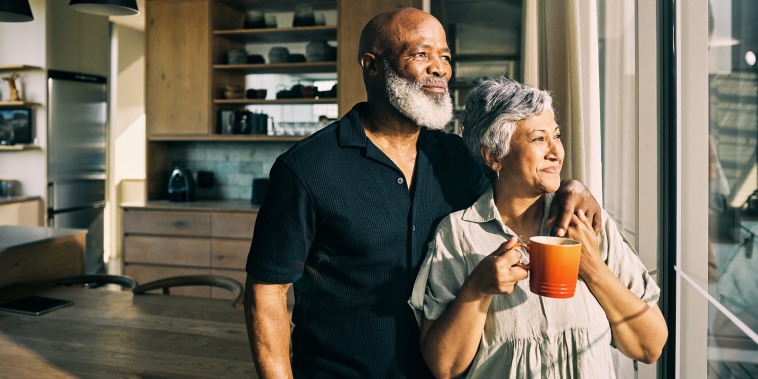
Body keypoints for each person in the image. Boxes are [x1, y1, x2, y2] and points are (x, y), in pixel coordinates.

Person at [244, 8, 602, 378]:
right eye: (421, 54)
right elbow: (267, 292)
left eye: (445, 57)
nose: (440, 69)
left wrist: (574, 188)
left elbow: (522, 184)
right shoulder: (306, 169)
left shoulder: (460, 158)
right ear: (372, 65)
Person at [409, 77, 668, 378]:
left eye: (556, 136)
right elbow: (445, 367)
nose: (556, 151)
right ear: (494, 156)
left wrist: (593, 266)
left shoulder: (585, 222)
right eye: (538, 139)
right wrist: (477, 289)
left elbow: (650, 347)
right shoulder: (457, 235)